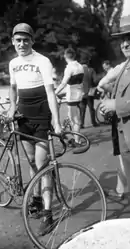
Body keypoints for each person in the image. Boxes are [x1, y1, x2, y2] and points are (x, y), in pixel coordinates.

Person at [8, 23, 61, 235]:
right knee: (31, 161)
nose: (22, 44)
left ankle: (48, 214)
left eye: (25, 40)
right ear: (13, 42)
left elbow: (50, 93)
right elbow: (13, 88)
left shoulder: (43, 61)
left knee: (42, 165)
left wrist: (56, 121)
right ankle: (37, 198)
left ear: (32, 41)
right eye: (18, 40)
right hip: (23, 117)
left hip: (40, 116)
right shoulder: (12, 63)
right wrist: (12, 106)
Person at [97, 14, 130, 199]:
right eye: (123, 40)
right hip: (124, 131)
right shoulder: (125, 65)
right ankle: (122, 190)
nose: (125, 44)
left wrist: (115, 104)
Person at [55, 48, 84, 143]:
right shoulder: (80, 66)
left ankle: (77, 141)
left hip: (71, 96)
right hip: (79, 94)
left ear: (65, 56)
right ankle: (70, 134)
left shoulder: (69, 68)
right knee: (73, 117)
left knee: (75, 121)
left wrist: (55, 92)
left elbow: (64, 83)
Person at [79, 56, 98, 128]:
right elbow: (95, 80)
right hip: (89, 92)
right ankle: (93, 122)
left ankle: (81, 124)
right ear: (87, 62)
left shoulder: (79, 71)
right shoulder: (91, 70)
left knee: (82, 108)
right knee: (91, 108)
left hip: (81, 92)